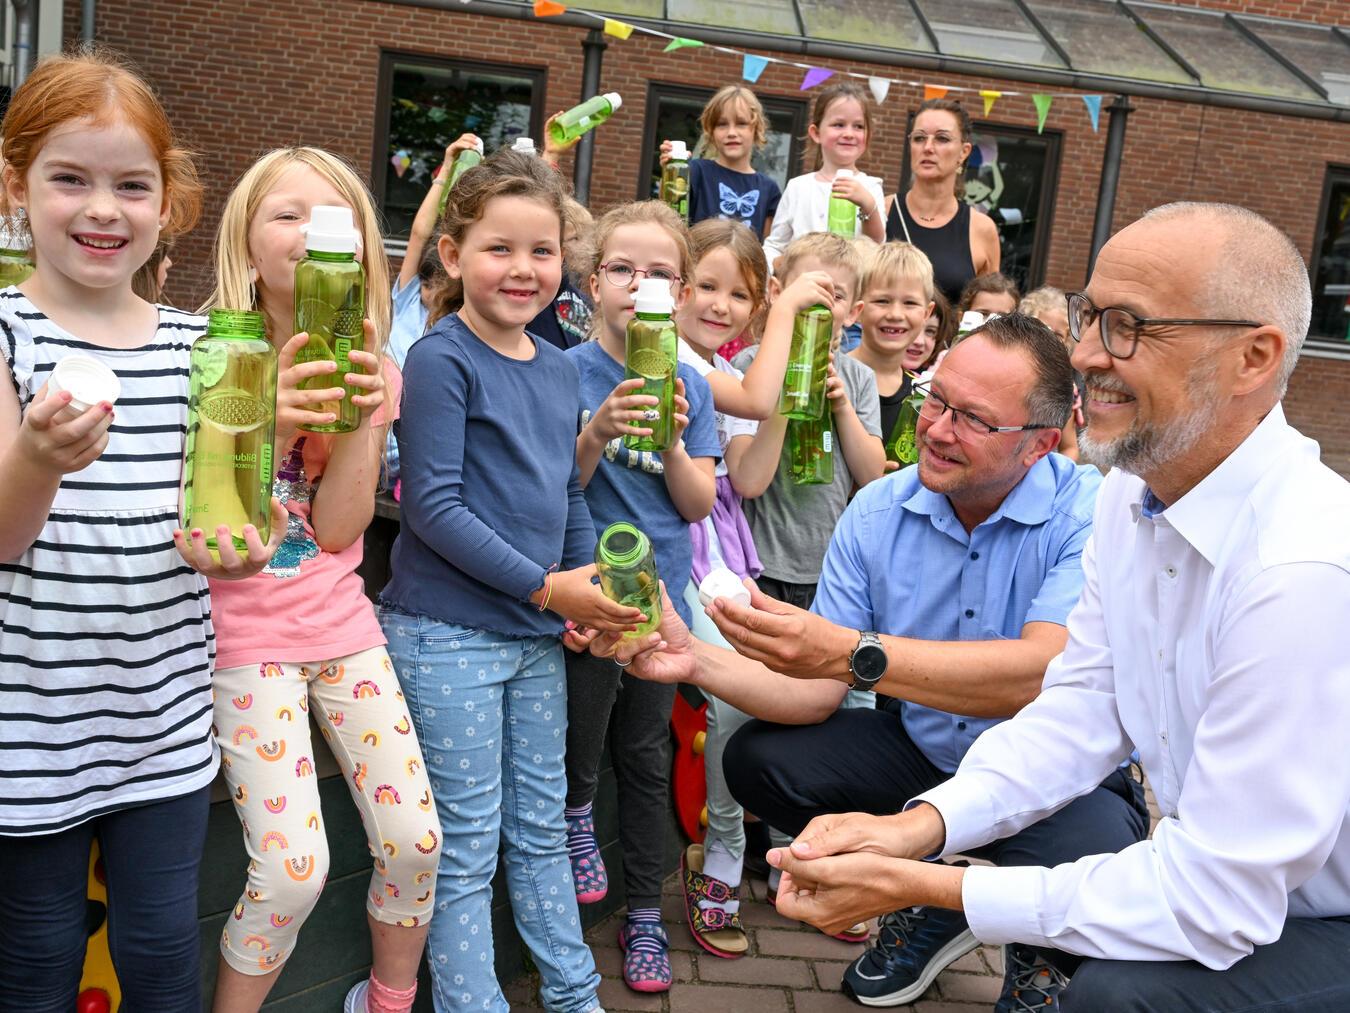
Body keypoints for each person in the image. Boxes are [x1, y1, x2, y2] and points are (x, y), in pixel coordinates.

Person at [764, 203, 1350, 1013]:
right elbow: (1081, 705)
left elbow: (1218, 900)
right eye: (1088, 315)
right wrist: (923, 826)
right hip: (1249, 892)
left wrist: (932, 887)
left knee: (1116, 998)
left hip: (1316, 913)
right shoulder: (1130, 499)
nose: (1082, 354)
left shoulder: (1301, 567)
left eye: (1127, 326)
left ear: (1253, 356)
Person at [590, 312, 1153, 1010]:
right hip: (925, 750)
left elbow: (1039, 671)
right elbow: (816, 692)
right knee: (758, 760)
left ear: (1041, 442)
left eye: (972, 418)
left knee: (1096, 843)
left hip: (1056, 771)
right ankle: (941, 896)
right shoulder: (878, 509)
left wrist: (856, 654)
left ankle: (1030, 946)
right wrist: (692, 658)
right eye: (935, 399)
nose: (937, 429)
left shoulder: (1089, 513)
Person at [0, 50, 283, 1009]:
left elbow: (241, 511)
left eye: (131, 185)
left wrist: (248, 533)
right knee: (34, 960)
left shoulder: (201, 346)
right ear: (17, 188)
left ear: (169, 203)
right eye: (68, 179)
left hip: (160, 723)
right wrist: (38, 457)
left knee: (163, 953)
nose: (101, 209)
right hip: (27, 727)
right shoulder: (4, 337)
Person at [378, 149, 633, 1013]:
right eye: (499, 248)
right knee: (468, 845)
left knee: (541, 832)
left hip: (534, 636)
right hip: (447, 633)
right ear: (452, 254)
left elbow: (564, 487)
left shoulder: (560, 366)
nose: (523, 269)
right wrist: (546, 587)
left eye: (542, 249)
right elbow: (434, 511)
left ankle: (572, 996)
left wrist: (590, 582)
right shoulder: (439, 360)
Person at [199, 146, 436, 1013]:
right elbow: (219, 529)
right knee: (295, 872)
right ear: (245, 241)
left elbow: (337, 529)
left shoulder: (374, 364)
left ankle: (386, 1001)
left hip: (342, 626)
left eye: (332, 220)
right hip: (241, 637)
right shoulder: (207, 354)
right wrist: (266, 422)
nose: (307, 235)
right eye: (286, 214)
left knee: (415, 841)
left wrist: (370, 411)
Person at [666, 218, 834, 958]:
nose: (721, 304)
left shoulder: (726, 368)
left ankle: (775, 843)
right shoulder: (669, 356)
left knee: (794, 681)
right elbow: (754, 400)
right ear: (675, 290)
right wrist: (792, 306)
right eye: (707, 286)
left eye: (740, 294)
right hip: (681, 563)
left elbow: (755, 472)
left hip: (727, 561)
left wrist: (798, 390)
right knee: (738, 694)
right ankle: (724, 851)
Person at [563, 200, 719, 994]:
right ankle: (577, 816)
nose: (640, 284)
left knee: (648, 753)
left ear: (682, 291)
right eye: (623, 269)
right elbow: (558, 489)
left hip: (664, 600)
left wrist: (672, 442)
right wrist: (593, 433)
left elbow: (695, 505)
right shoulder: (562, 368)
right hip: (590, 593)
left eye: (659, 272)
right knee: (584, 732)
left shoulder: (691, 382)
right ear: (594, 283)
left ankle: (645, 916)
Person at [733, 232, 886, 611]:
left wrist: (842, 407)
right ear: (776, 292)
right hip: (759, 559)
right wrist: (790, 387)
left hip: (827, 565)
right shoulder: (750, 368)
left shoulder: (859, 379)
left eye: (834, 295)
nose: (818, 301)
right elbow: (747, 476)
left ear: (853, 312)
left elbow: (872, 475)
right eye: (806, 288)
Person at [884, 98, 1000, 304]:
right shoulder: (881, 211)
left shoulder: (981, 229)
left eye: (942, 139)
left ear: (964, 152)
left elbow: (990, 313)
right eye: (919, 138)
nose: (928, 147)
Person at [764, 83, 885, 268]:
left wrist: (867, 204)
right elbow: (776, 245)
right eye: (839, 124)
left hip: (848, 291)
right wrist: (779, 266)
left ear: (868, 136)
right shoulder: (798, 187)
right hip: (801, 285)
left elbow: (876, 245)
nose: (849, 133)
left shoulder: (870, 186)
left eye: (859, 126)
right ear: (816, 133)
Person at [849, 242, 936, 472]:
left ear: (927, 313)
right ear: (857, 308)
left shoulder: (922, 396)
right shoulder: (832, 376)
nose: (895, 314)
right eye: (882, 301)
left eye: (910, 303)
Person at [660, 84, 783, 238]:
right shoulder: (695, 171)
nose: (731, 132)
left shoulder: (769, 189)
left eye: (741, 123)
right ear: (711, 132)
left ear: (756, 129)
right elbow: (668, 220)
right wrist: (671, 173)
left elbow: (768, 249)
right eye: (722, 124)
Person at [1020, 285, 1082, 462]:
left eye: (1058, 335)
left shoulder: (1062, 388)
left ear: (1067, 341)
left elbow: (1069, 447)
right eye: (1042, 329)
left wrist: (1059, 482)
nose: (1049, 339)